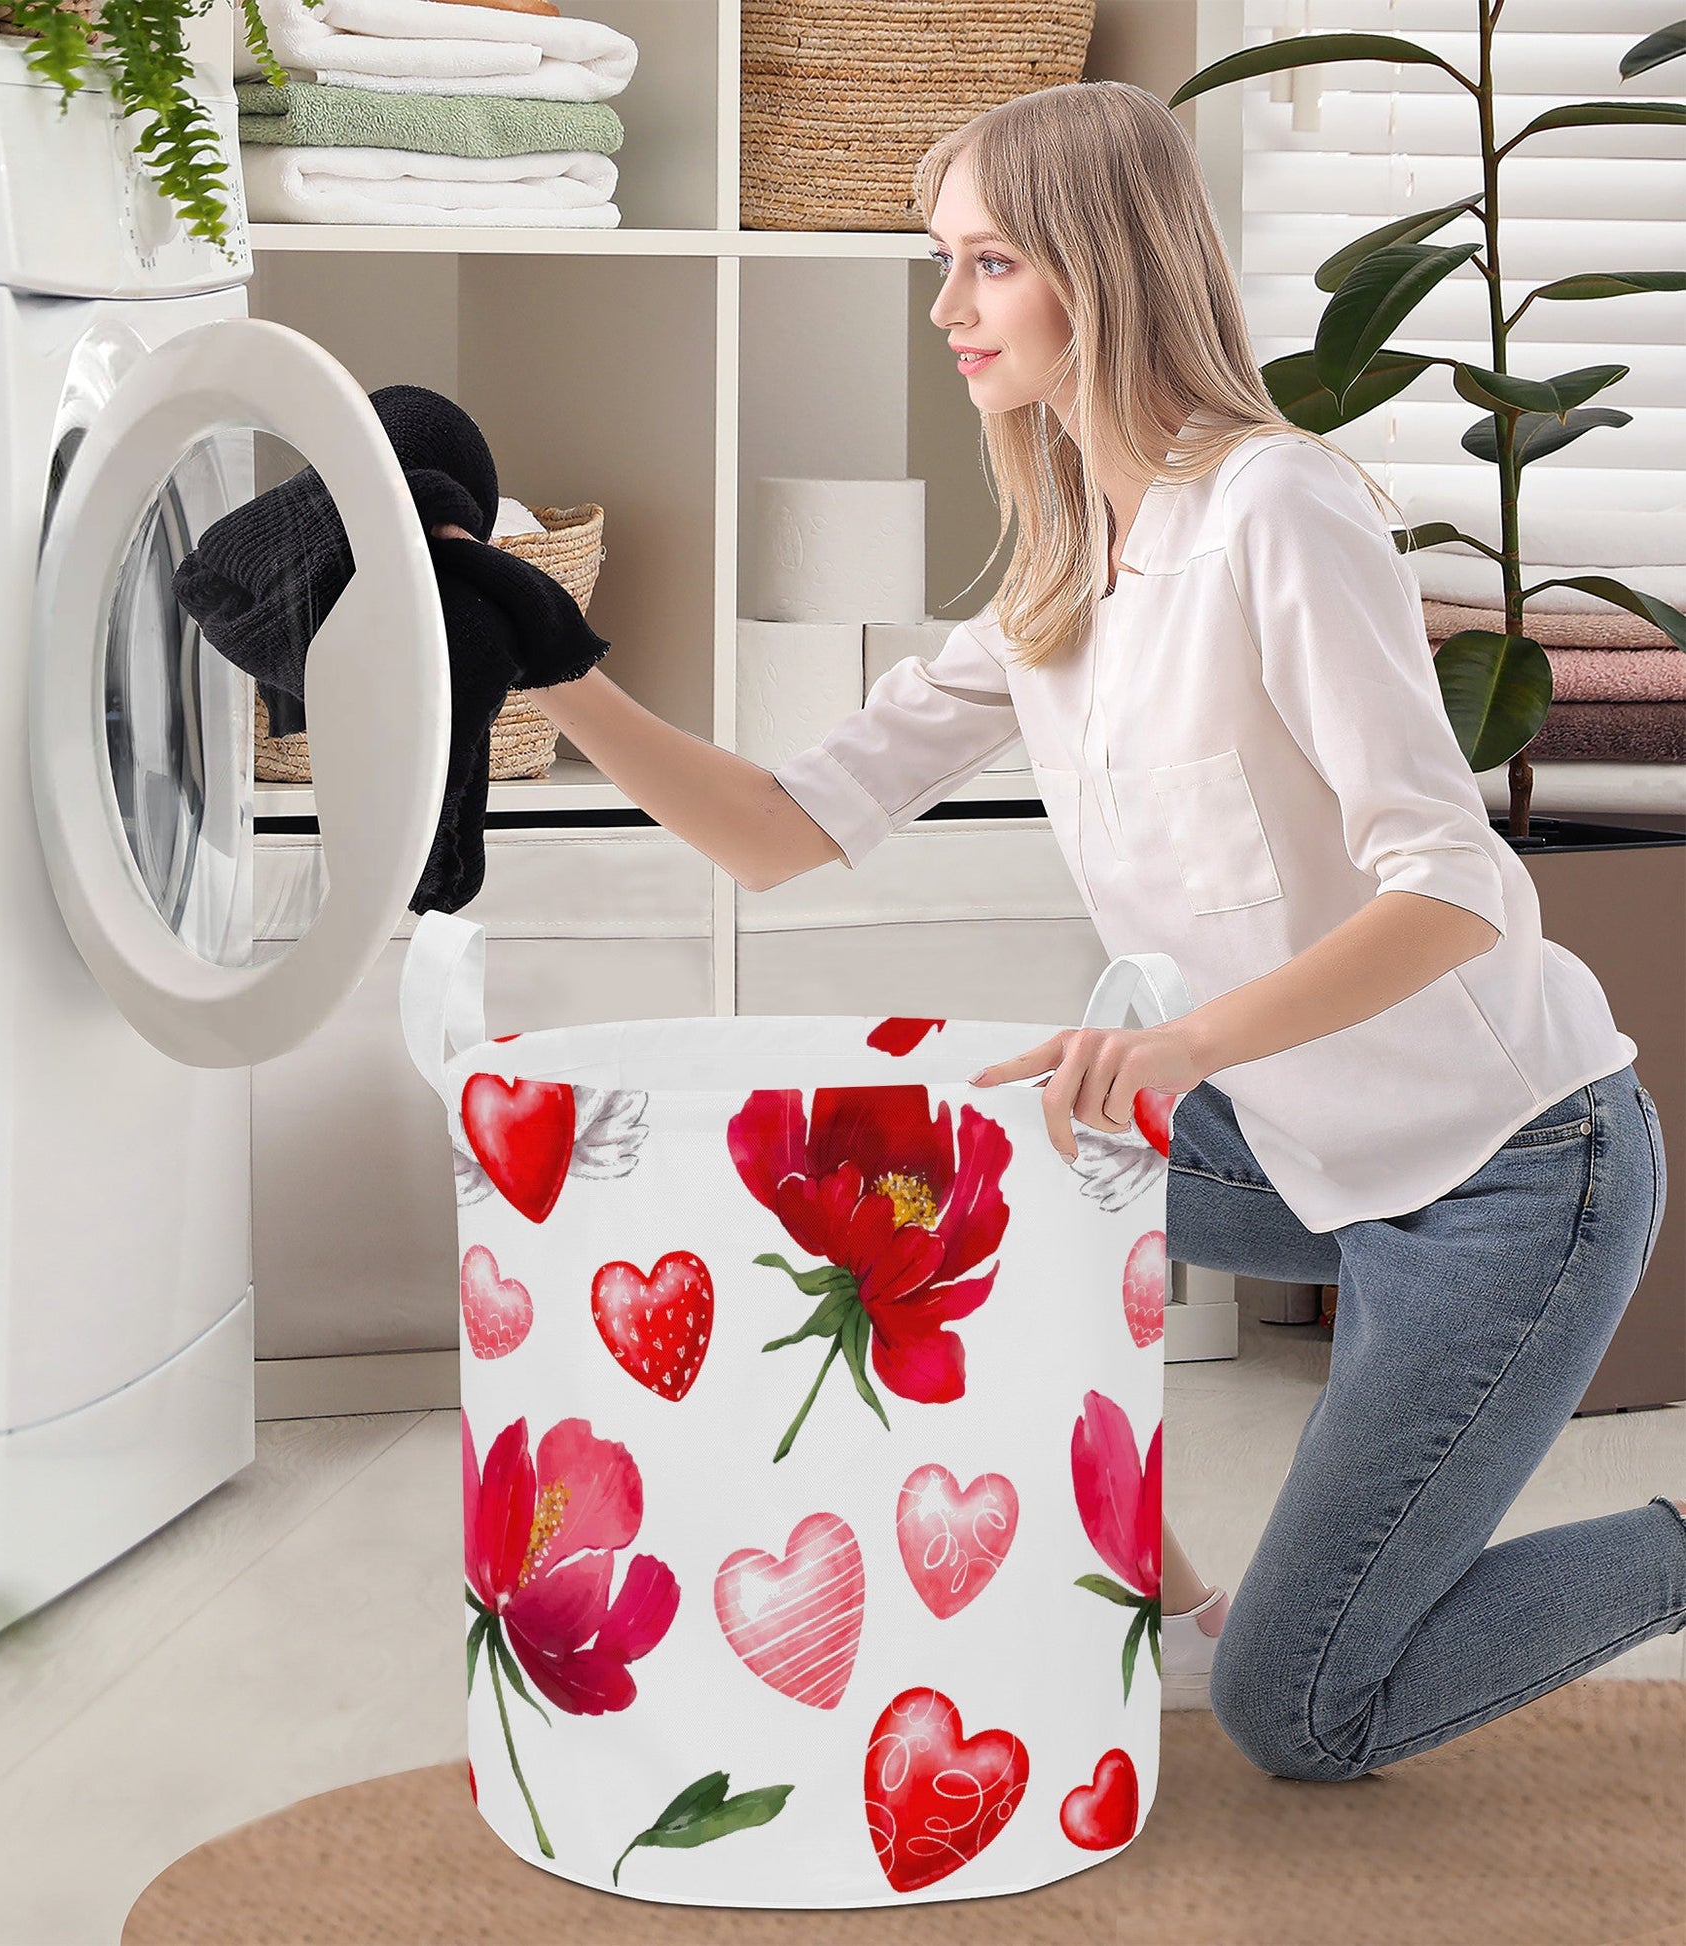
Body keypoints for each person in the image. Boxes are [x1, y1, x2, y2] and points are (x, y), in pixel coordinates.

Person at [512, 80, 1682, 1781]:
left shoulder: (1276, 511)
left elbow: (1452, 889)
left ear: (1104, 267)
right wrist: (555, 662)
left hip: (1507, 1174)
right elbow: (776, 832)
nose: (945, 309)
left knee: (1304, 1715)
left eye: (988, 263)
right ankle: (1165, 1593)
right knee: (964, 1167)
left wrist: (1182, 1045)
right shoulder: (1063, 567)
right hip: (1299, 1144)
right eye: (942, 262)